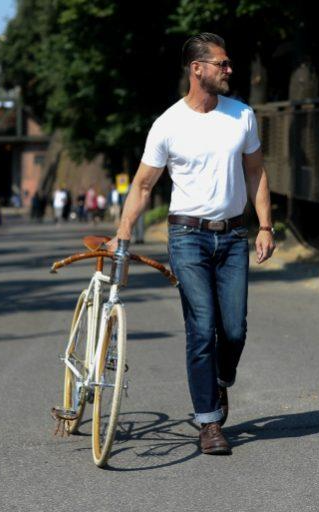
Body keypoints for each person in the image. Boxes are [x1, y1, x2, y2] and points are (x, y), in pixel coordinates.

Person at [107, 32, 275, 456]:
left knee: (233, 330)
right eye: (221, 63)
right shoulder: (168, 124)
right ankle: (208, 422)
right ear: (196, 68)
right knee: (201, 328)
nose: (228, 70)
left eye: (228, 62)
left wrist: (266, 226)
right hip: (186, 237)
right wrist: (124, 231)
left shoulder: (242, 116)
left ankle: (219, 385)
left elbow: (255, 172)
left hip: (234, 235)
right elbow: (144, 185)